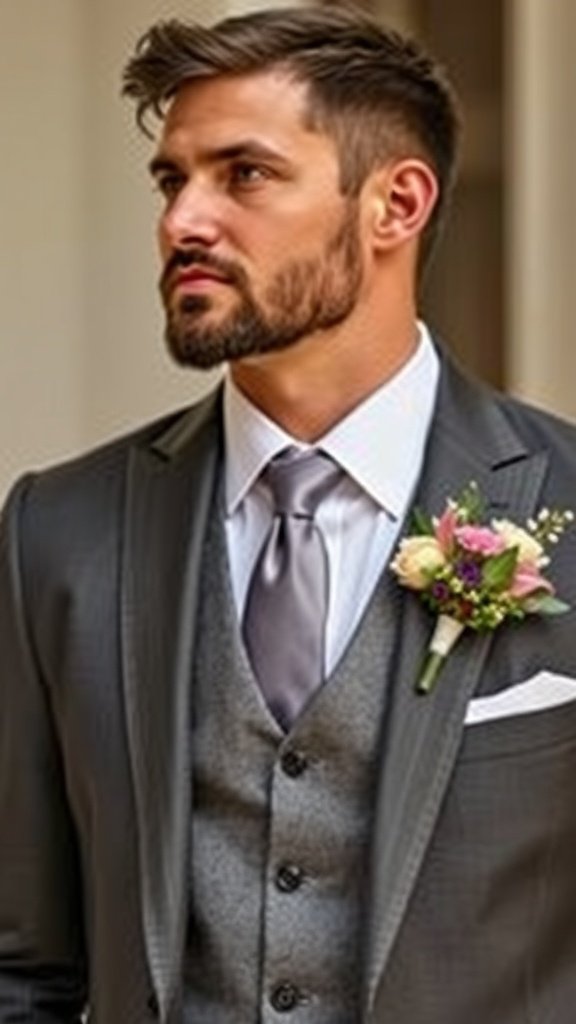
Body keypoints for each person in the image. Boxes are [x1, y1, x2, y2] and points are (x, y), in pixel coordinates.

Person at [1, 5, 576, 1023]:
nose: (184, 221)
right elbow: (24, 966)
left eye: (244, 174)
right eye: (173, 180)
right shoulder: (57, 534)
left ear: (395, 203)